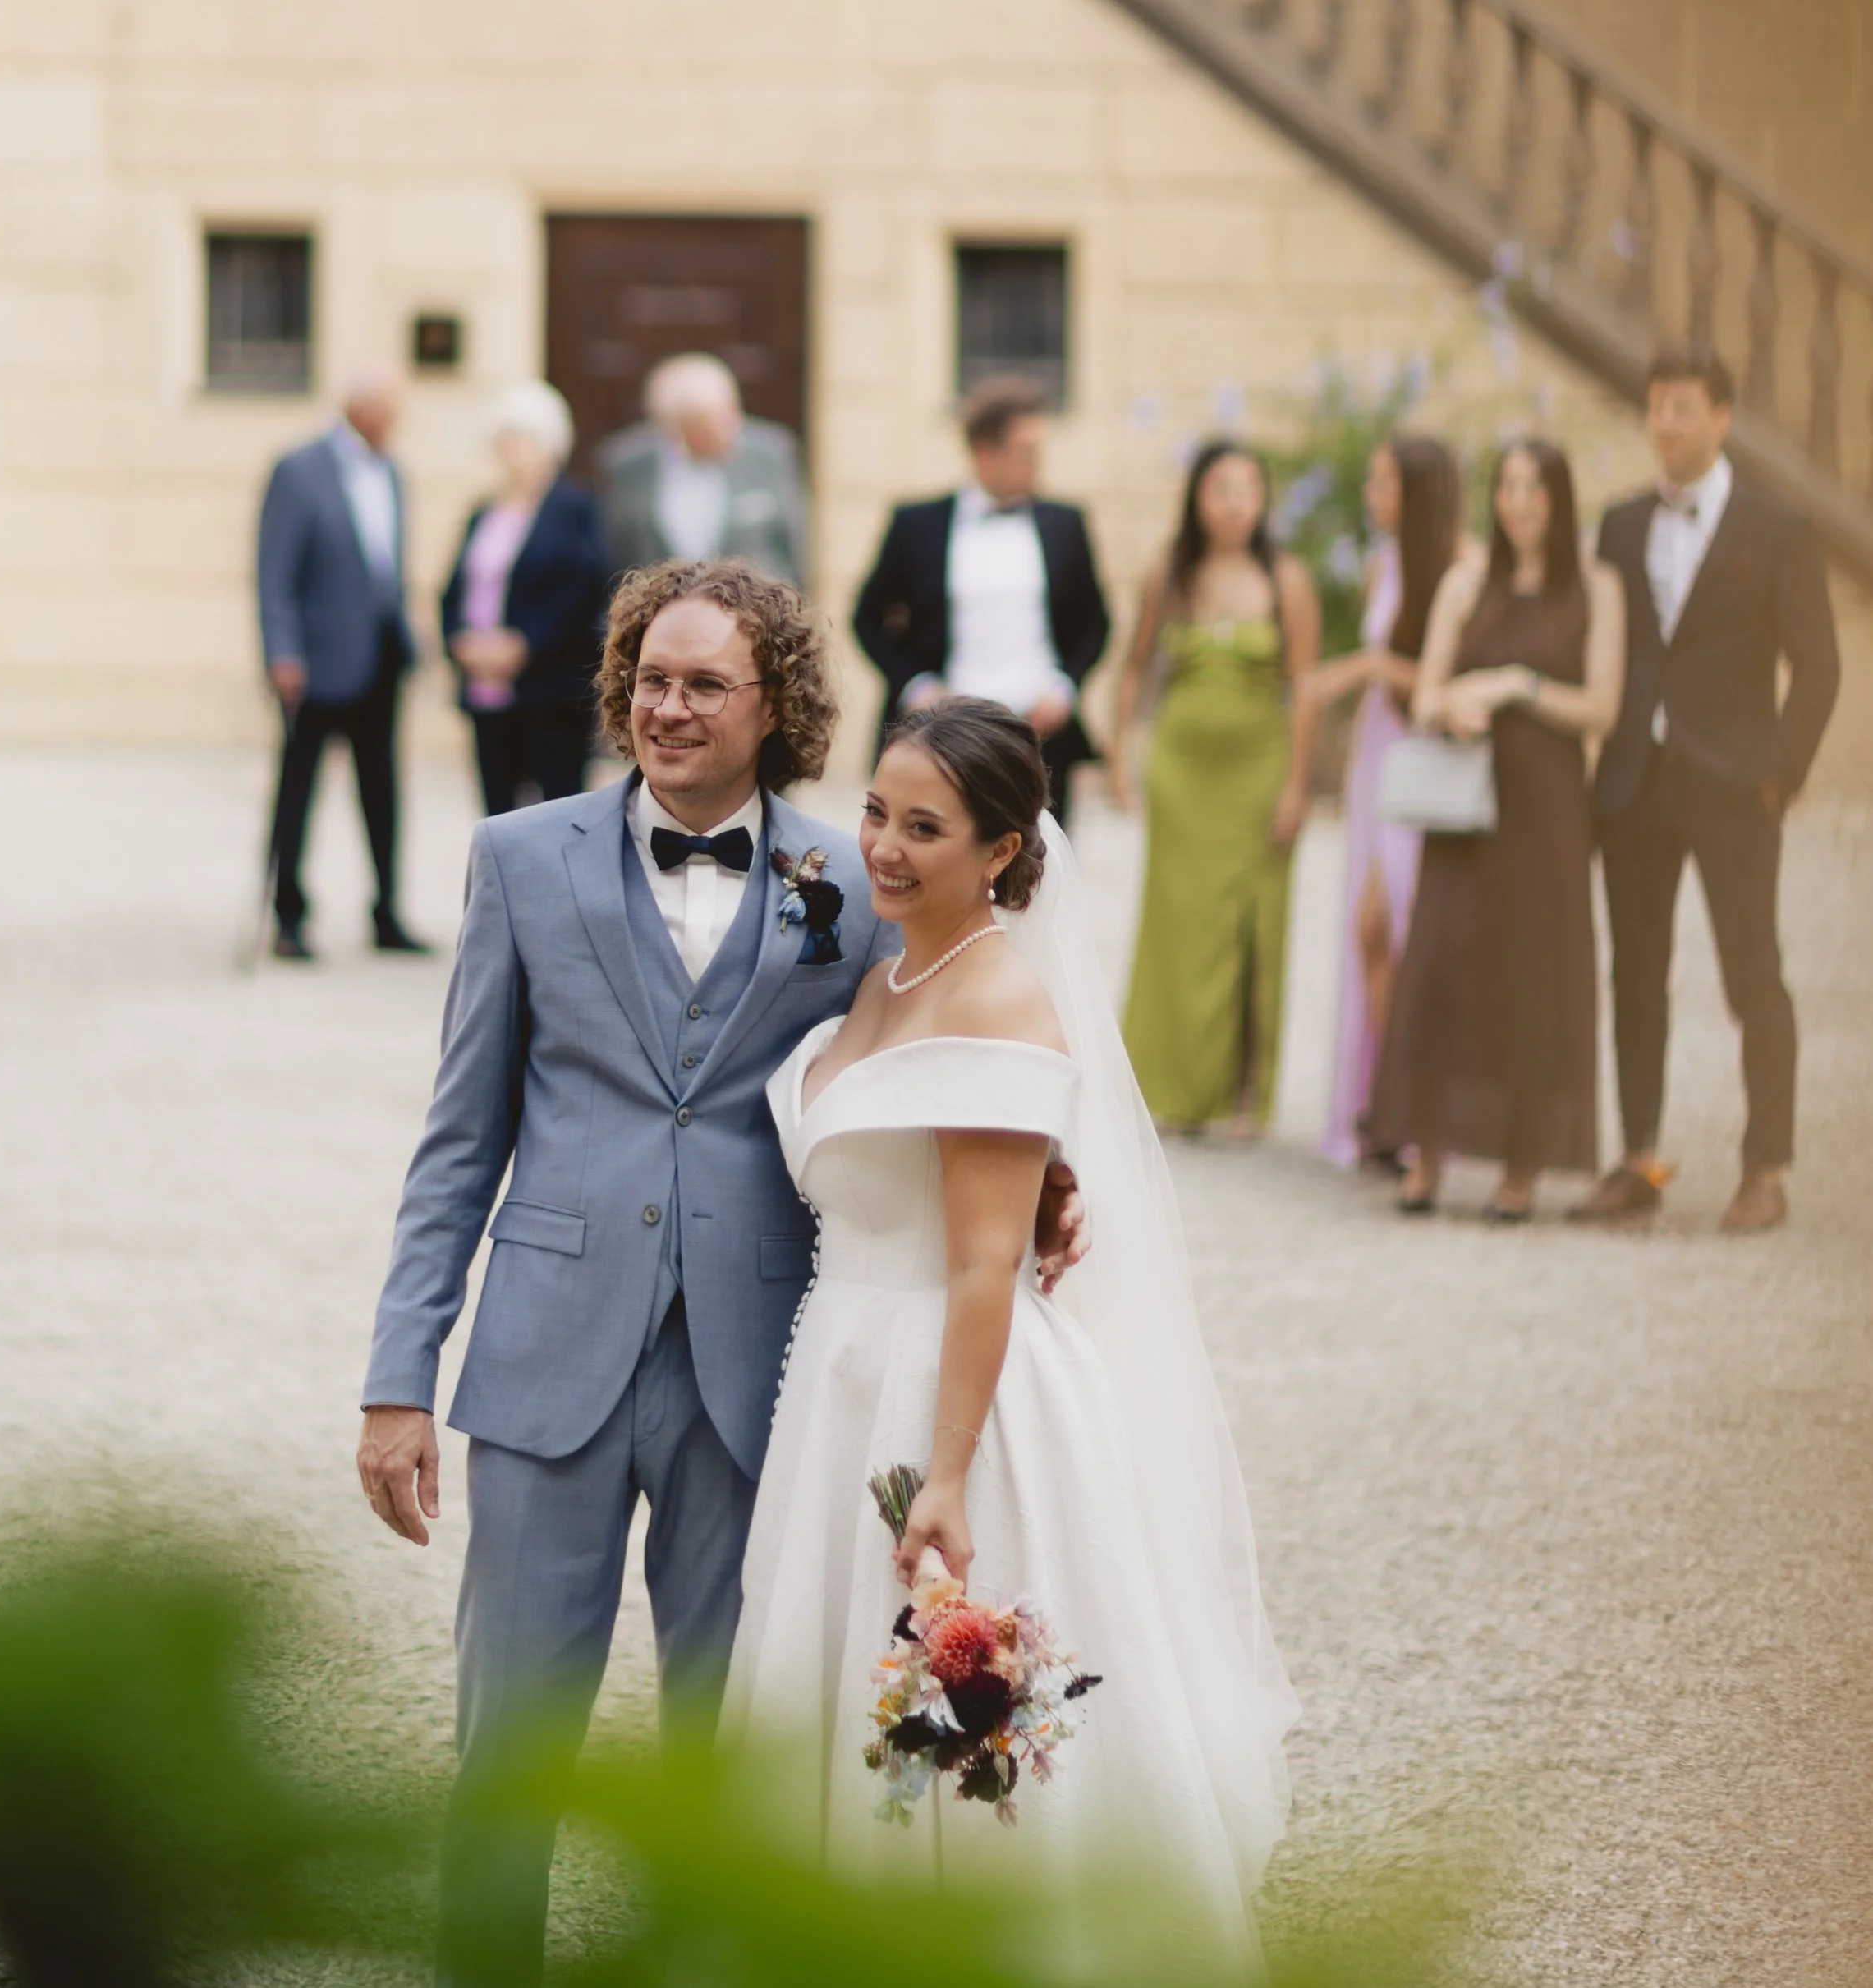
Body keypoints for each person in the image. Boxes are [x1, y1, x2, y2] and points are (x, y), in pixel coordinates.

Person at [354, 559, 1087, 1960]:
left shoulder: (855, 873)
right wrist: (400, 1376)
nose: (669, 708)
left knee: (730, 1753)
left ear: (776, 706)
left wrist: (1057, 1181)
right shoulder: (521, 858)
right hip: (543, 1364)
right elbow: (457, 1143)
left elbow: (963, 1047)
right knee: (510, 1743)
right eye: (650, 678)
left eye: (704, 685)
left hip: (755, 1387)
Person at [724, 700, 1294, 1939]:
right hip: (841, 1366)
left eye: (924, 826)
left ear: (1000, 852)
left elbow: (987, 1263)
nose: (881, 843)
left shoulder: (997, 997)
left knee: (962, 1745)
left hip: (952, 1393)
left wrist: (946, 1476)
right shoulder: (880, 969)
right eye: (875, 810)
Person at [1577, 352, 1840, 1237]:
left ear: (1722, 418)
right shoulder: (1615, 525)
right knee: (1636, 976)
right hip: (1635, 785)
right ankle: (1638, 1156)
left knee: (1750, 975)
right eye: (1654, 409)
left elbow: (1817, 665)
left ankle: (1765, 1167)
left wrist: (1780, 773)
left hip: (1734, 787)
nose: (1665, 425)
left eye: (1682, 410)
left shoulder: (1778, 529)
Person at [1370, 438, 1624, 1221]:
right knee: (1443, 968)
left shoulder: (1597, 586)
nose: (1519, 502)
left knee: (1533, 978)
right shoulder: (1466, 581)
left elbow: (1602, 710)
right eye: (1507, 485)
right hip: (1466, 806)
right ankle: (1428, 1156)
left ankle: (1521, 1168)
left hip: (1547, 811)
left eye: (1535, 487)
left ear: (1560, 496)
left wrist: (1520, 686)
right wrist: (1453, 705)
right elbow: (1422, 699)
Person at [1112, 443, 1320, 1133]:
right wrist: (1121, 756)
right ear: (1197, 496)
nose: (1236, 501)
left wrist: (1298, 784)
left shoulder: (1286, 577)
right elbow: (1134, 668)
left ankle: (1244, 1097)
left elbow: (1306, 687)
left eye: (1250, 487)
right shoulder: (1169, 573)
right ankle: (1174, 1092)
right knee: (1179, 928)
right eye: (1222, 487)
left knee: (1253, 928)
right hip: (1181, 774)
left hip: (1259, 775)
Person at [852, 377, 1111, 824]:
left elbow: (1096, 622)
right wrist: (917, 686)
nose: (1038, 463)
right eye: (1027, 451)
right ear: (985, 454)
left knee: (1038, 870)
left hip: (1040, 734)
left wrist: (1064, 687)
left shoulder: (1067, 524)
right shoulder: (917, 524)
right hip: (943, 734)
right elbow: (867, 619)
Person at [1310, 437, 1467, 1167]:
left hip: (1430, 761)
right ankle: (1386, 1106)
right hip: (1378, 757)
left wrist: (1374, 666)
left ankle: (1416, 1112)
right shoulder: (1385, 565)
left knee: (1406, 931)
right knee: (1370, 930)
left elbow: (1458, 681)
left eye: (1383, 480)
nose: (1371, 491)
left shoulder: (1465, 564)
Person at [256, 365, 430, 962]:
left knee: (382, 787)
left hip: (380, 655)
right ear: (360, 409)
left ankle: (386, 910)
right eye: (389, 409)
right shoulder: (300, 471)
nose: (397, 421)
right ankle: (287, 915)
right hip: (315, 661)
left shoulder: (394, 473)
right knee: (299, 789)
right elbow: (273, 572)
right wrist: (281, 650)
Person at [438, 381, 610, 816]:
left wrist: (523, 644)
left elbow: (582, 590)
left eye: (523, 440)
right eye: (505, 440)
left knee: (557, 811)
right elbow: (455, 590)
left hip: (549, 687)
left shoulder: (576, 508)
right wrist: (460, 642)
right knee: (499, 814)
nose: (512, 451)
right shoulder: (484, 511)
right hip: (486, 687)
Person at [597, 354, 807, 588]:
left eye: (731, 412)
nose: (732, 428)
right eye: (712, 422)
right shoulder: (628, 465)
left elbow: (793, 549)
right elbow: (618, 553)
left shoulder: (770, 455)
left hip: (755, 613)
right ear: (675, 426)